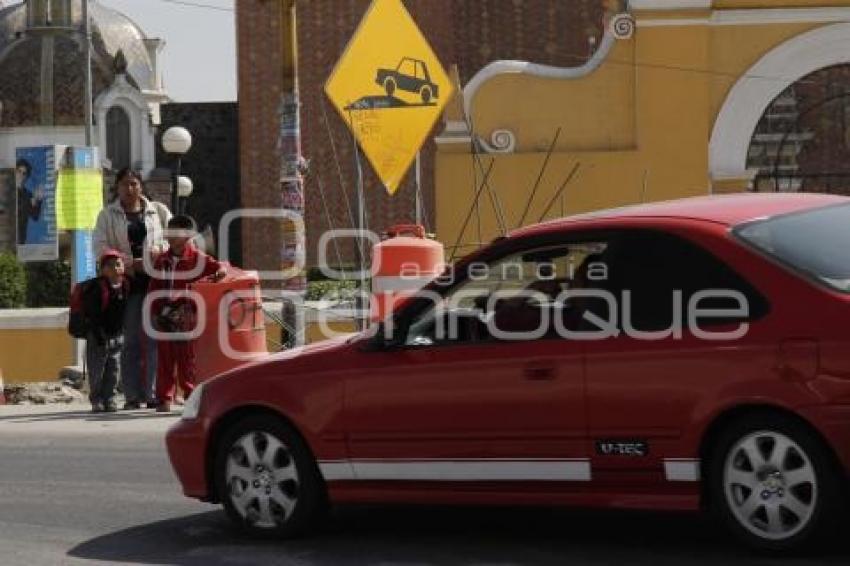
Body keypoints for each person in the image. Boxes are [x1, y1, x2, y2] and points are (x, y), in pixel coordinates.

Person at [93, 168, 172, 410]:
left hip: (155, 282)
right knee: (130, 341)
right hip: (126, 285)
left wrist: (157, 253)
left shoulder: (156, 212)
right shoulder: (108, 215)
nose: (130, 189)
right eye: (125, 184)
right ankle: (132, 395)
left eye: (134, 184)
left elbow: (172, 239)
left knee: (154, 339)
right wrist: (128, 264)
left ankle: (152, 393)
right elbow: (100, 247)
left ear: (141, 186)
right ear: (117, 187)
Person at [149, 215, 226, 413]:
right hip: (165, 316)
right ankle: (164, 398)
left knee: (187, 358)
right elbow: (154, 288)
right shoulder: (162, 261)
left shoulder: (199, 259)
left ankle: (190, 395)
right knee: (165, 358)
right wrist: (154, 313)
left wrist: (220, 272)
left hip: (187, 317)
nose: (169, 235)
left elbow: (220, 267)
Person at [82, 249, 130, 413]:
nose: (115, 268)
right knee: (97, 371)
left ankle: (110, 398)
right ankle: (97, 400)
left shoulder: (126, 285)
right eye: (110, 265)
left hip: (117, 335)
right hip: (99, 336)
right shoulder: (97, 288)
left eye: (118, 264)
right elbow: (93, 315)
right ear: (102, 269)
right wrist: (98, 335)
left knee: (114, 370)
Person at [15, 158, 45, 245]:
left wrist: (39, 200)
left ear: (27, 177)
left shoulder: (28, 195)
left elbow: (35, 216)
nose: (21, 175)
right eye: (19, 171)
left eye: (24, 173)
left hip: (20, 240)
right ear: (15, 171)